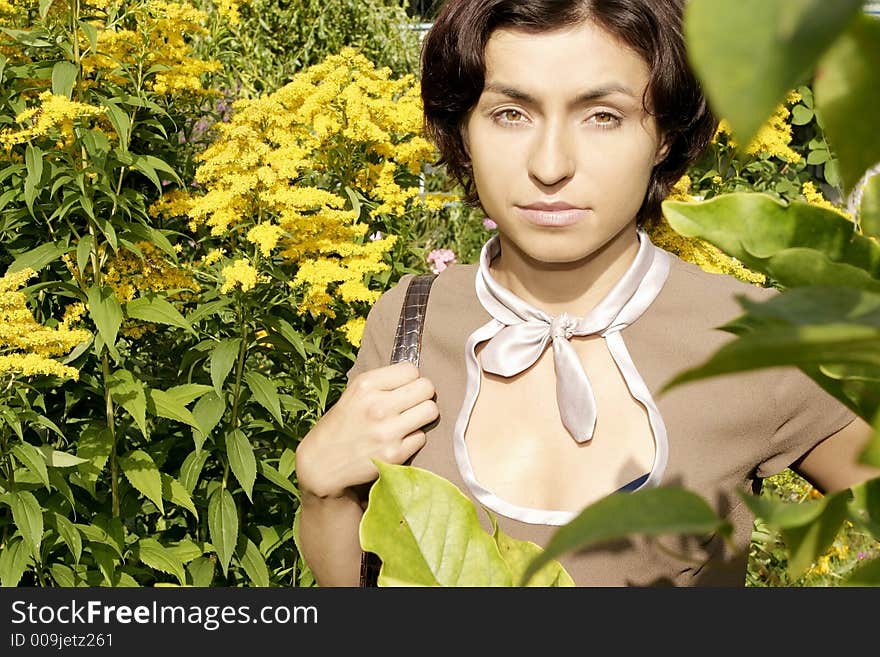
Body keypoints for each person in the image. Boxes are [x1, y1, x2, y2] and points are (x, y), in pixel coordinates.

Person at [295, 0, 880, 586]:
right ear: (462, 129)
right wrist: (323, 494)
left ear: (665, 137)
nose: (550, 166)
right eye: (509, 114)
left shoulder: (756, 335)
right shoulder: (409, 320)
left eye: (603, 115)